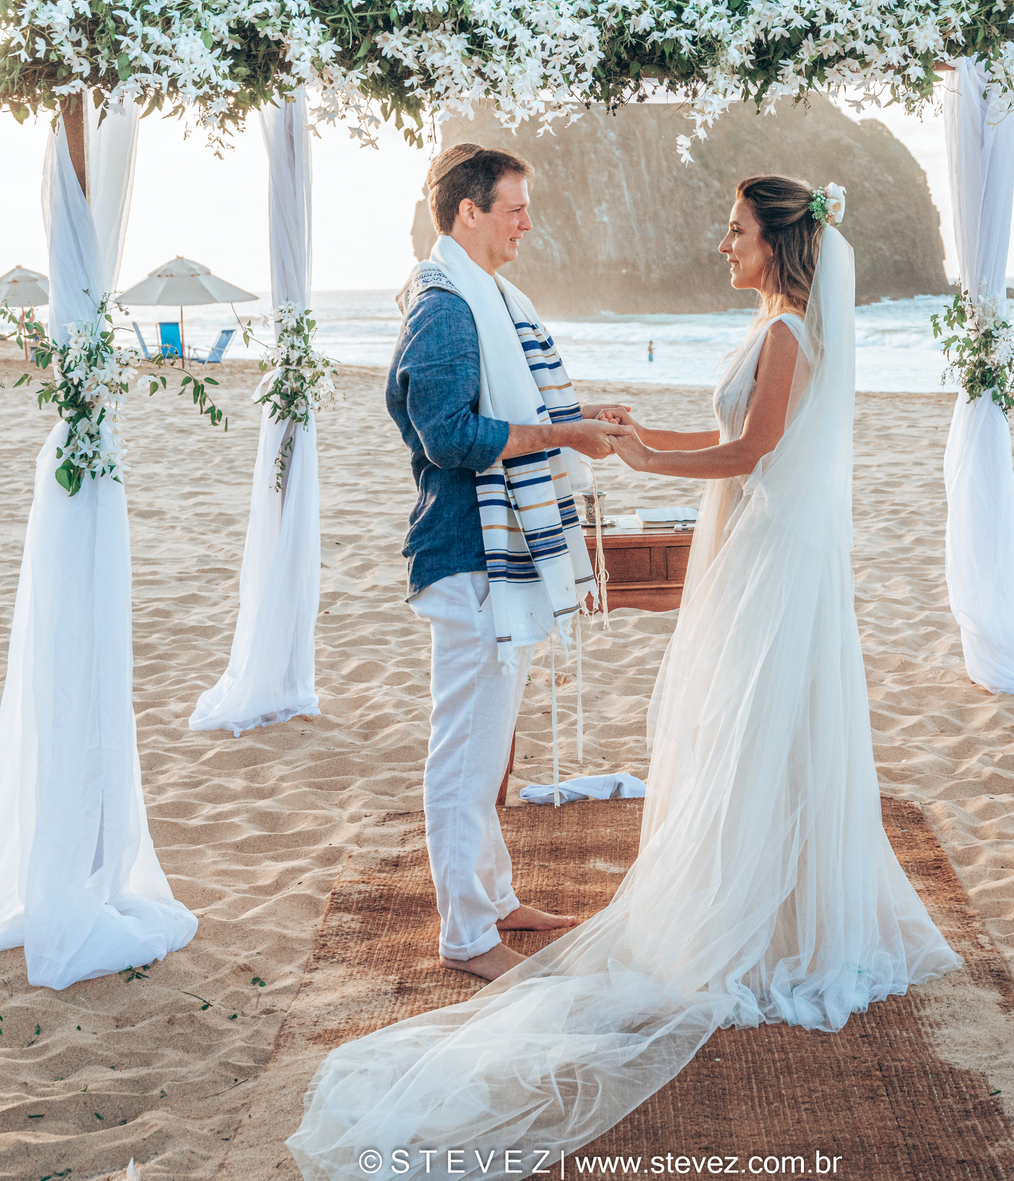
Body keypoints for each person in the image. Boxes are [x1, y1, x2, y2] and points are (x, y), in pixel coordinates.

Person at [290, 173, 959, 1180]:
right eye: (514, 207)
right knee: (745, 727)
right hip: (757, 542)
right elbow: (734, 442)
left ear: (776, 244)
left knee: (756, 724)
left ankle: (763, 915)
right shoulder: (773, 324)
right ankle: (743, 899)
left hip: (770, 553)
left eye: (733, 230)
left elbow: (754, 450)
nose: (719, 242)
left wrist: (640, 461)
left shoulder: (784, 335)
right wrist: (637, 438)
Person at [382, 143, 632, 984]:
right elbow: (449, 435)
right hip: (469, 553)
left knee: (487, 753)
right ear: (468, 213)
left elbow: (505, 408)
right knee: (464, 754)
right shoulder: (447, 305)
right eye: (515, 207)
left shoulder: (483, 295)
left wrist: (577, 414)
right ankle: (464, 935)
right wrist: (562, 434)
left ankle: (492, 900)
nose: (528, 222)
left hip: (495, 554)